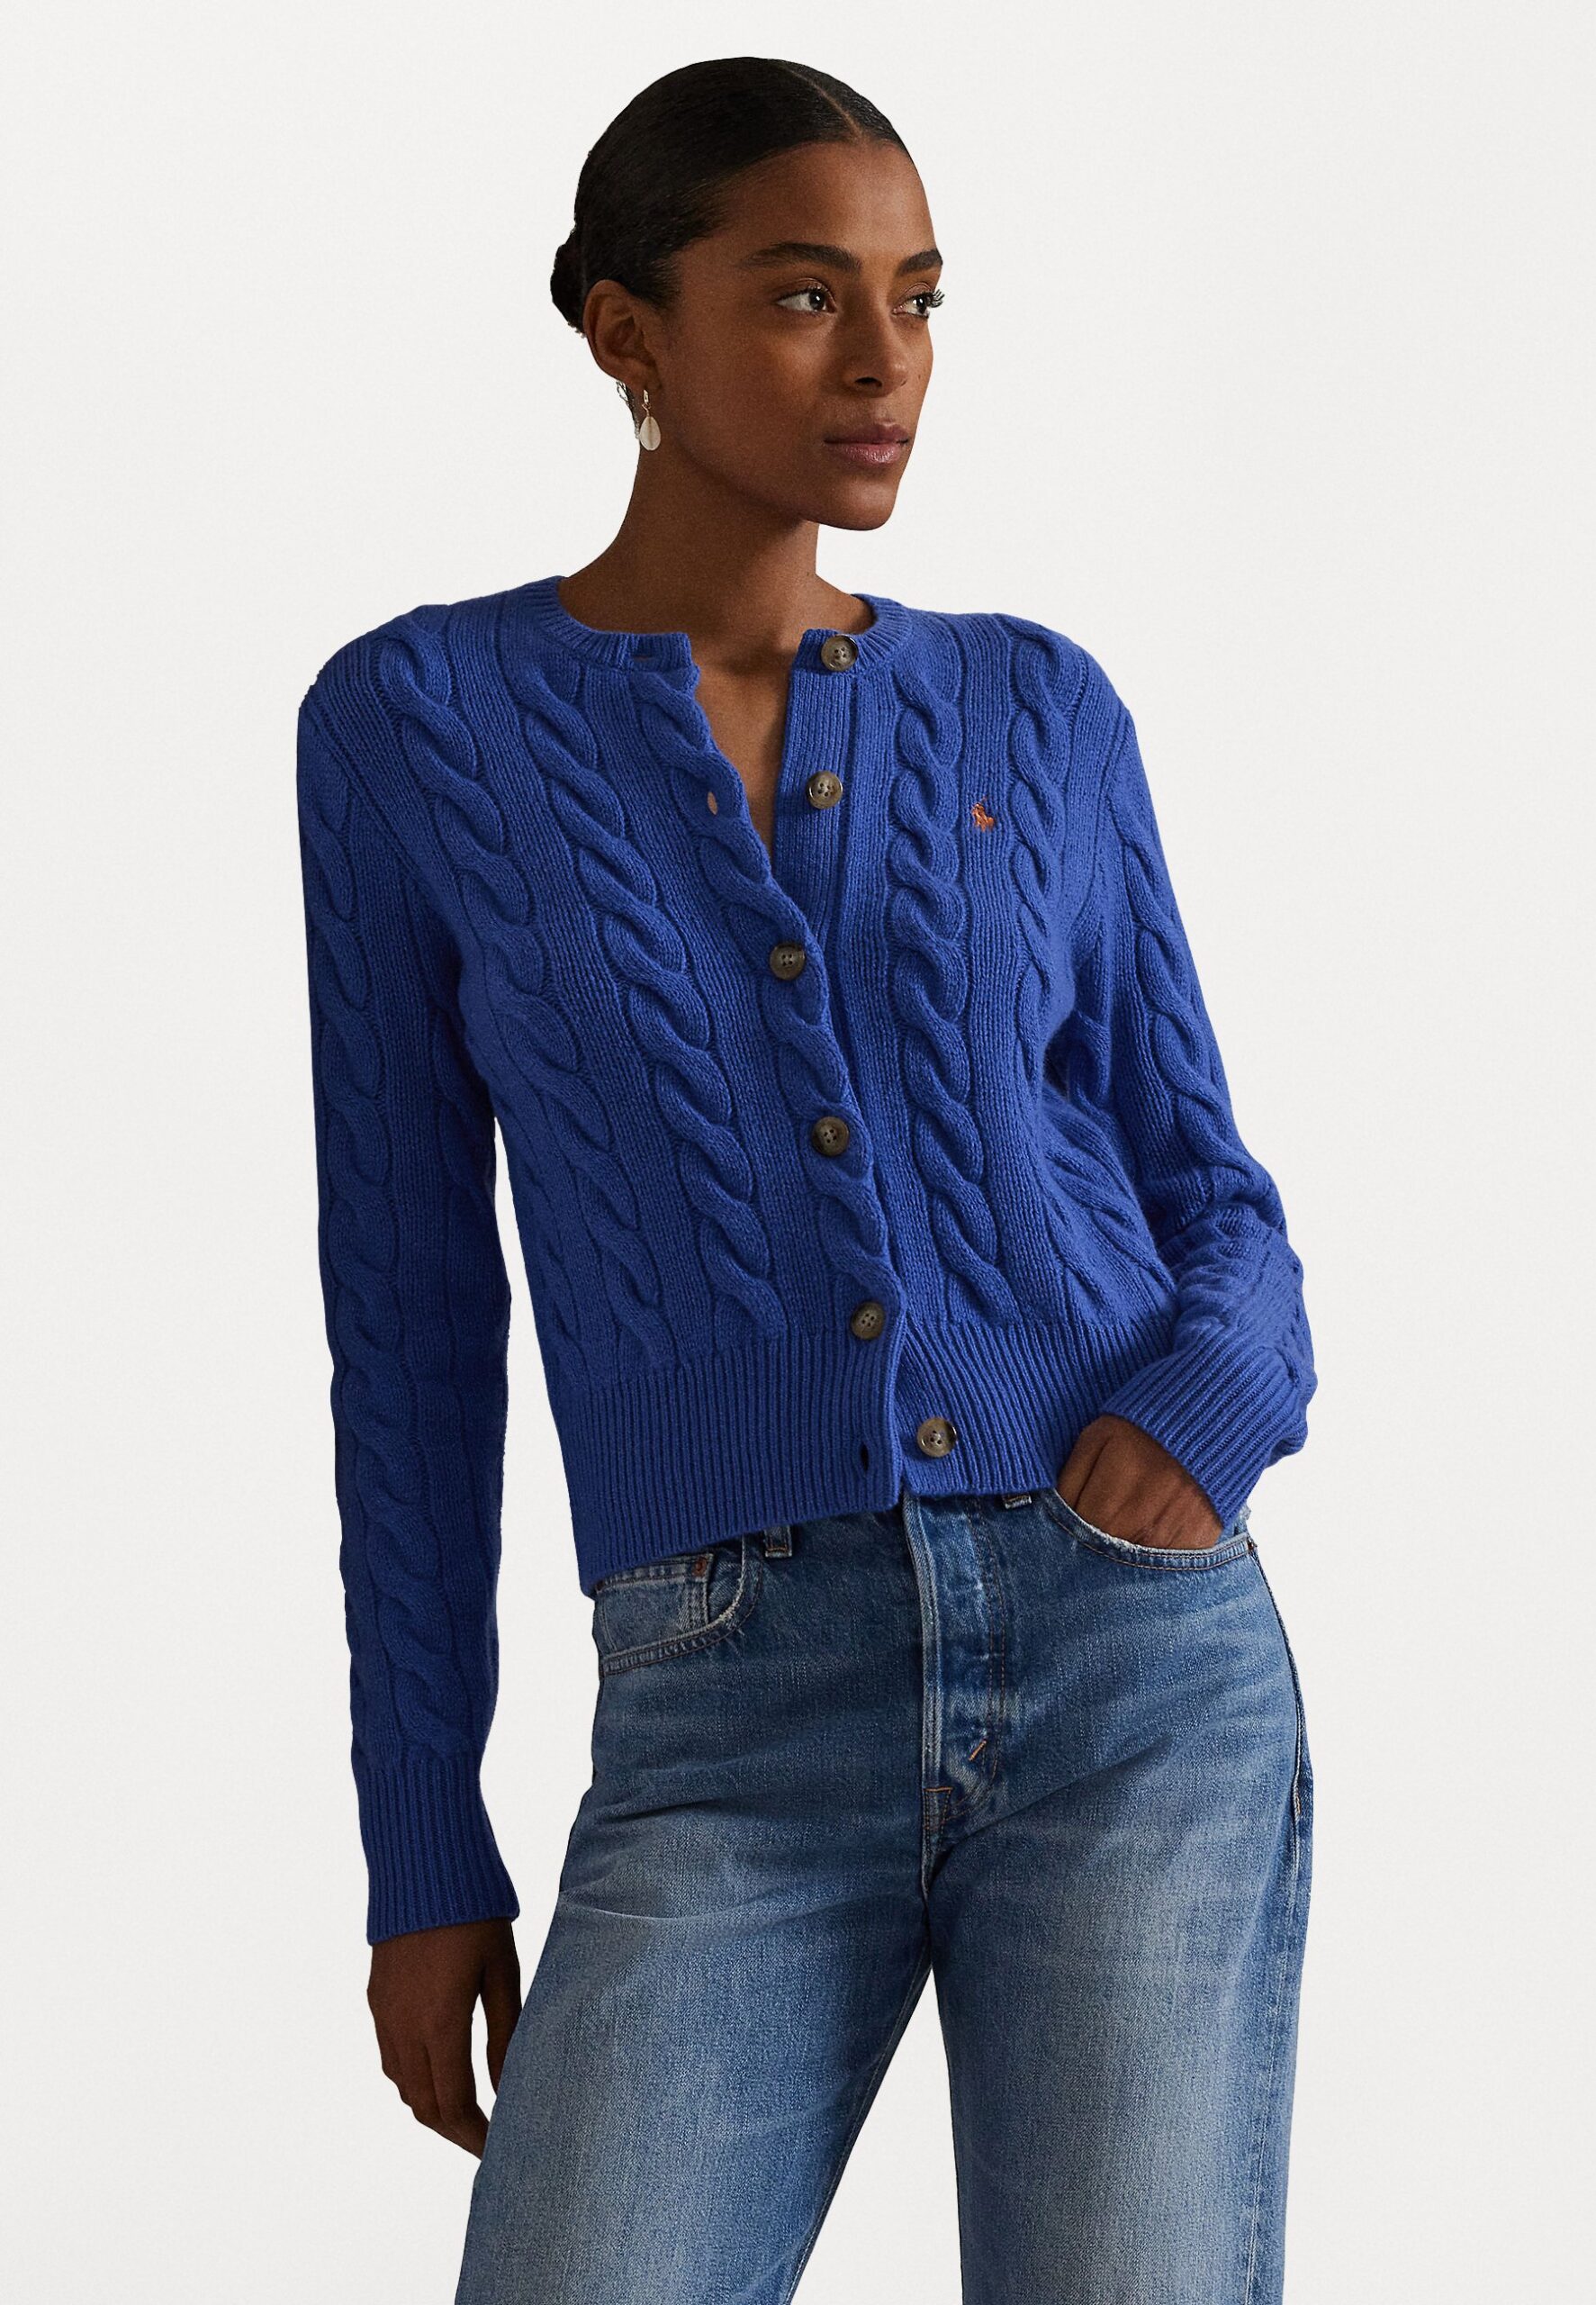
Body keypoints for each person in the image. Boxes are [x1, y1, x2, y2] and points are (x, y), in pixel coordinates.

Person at [294, 54, 1317, 2305]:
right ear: (623, 331)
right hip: (724, 1692)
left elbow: (1209, 1189)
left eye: (916, 298)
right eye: (798, 294)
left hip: (1129, 1655)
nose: (882, 361)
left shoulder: (1039, 706)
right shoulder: (413, 726)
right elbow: (410, 1319)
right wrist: (419, 1837)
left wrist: (1197, 1417)